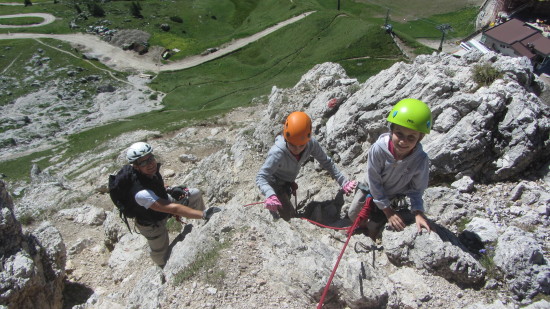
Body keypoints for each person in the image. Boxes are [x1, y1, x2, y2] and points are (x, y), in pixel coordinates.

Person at [123, 141, 220, 267]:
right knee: (160, 254)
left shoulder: (148, 172)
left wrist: (170, 189)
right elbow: (172, 208)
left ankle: (201, 226)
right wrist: (204, 214)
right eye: (143, 162)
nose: (150, 163)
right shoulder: (140, 193)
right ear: (136, 166)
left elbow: (154, 184)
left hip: (161, 202)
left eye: (151, 158)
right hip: (151, 223)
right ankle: (161, 267)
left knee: (194, 194)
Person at [348, 98, 432, 240]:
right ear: (391, 129)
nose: (403, 141)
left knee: (373, 226)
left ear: (420, 137)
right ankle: (366, 223)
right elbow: (374, 181)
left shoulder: (420, 159)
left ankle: (373, 229)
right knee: (353, 215)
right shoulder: (379, 149)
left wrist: (418, 212)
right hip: (370, 188)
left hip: (393, 194)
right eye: (399, 134)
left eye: (411, 137)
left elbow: (417, 189)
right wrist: (388, 211)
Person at [256, 111, 357, 221]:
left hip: (286, 183)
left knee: (290, 215)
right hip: (273, 184)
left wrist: (343, 182)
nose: (297, 149)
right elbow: (261, 177)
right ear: (286, 138)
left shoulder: (311, 144)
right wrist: (270, 194)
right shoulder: (277, 152)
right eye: (293, 145)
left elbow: (326, 162)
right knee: (288, 219)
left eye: (301, 145)